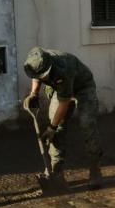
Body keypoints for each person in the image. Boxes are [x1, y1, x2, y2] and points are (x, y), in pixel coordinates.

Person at [22, 47, 105, 187]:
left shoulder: (63, 69)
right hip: (60, 90)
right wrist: (34, 93)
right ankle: (56, 171)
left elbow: (64, 103)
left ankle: (95, 169)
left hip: (83, 88)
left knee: (87, 124)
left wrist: (51, 127)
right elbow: (35, 76)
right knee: (58, 130)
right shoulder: (34, 61)